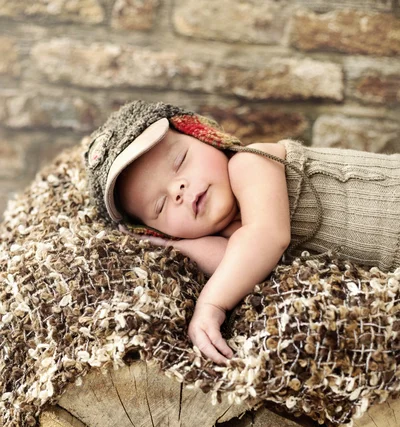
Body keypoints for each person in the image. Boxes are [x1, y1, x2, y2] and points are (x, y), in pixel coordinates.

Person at [85, 100, 400, 366]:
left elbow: (266, 238)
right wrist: (170, 248)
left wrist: (210, 305)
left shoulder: (251, 162)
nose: (177, 189)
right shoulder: (235, 242)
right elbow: (237, 263)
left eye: (180, 161)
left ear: (205, 136)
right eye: (160, 205)